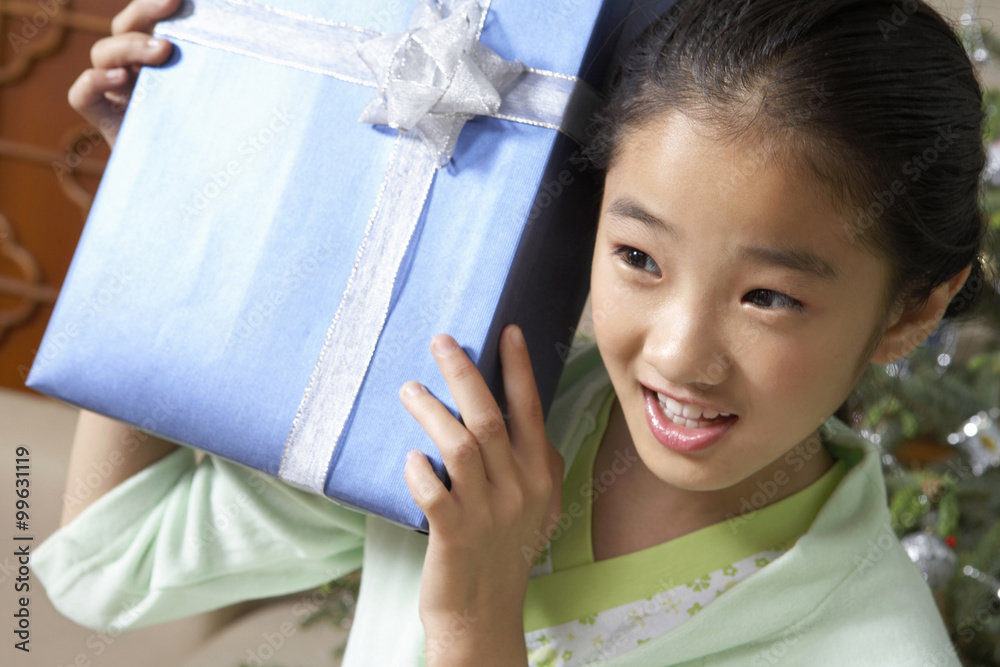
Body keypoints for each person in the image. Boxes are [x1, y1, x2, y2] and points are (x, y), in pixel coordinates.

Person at [34, 0, 988, 664]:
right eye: (640, 259)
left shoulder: (873, 646)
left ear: (913, 310)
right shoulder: (469, 422)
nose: (676, 354)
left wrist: (472, 629)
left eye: (769, 297)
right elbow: (110, 564)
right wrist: (160, 208)